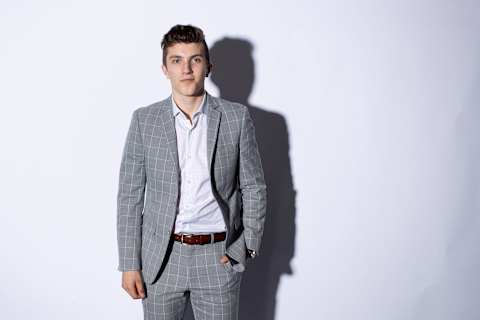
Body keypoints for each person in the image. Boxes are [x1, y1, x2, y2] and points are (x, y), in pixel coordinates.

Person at [116, 24, 267, 320]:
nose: (186, 69)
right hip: (161, 258)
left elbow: (254, 187)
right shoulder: (144, 121)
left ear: (208, 66)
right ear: (165, 69)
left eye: (195, 59)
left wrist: (246, 247)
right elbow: (129, 197)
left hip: (217, 257)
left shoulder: (236, 118)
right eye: (177, 60)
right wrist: (129, 263)